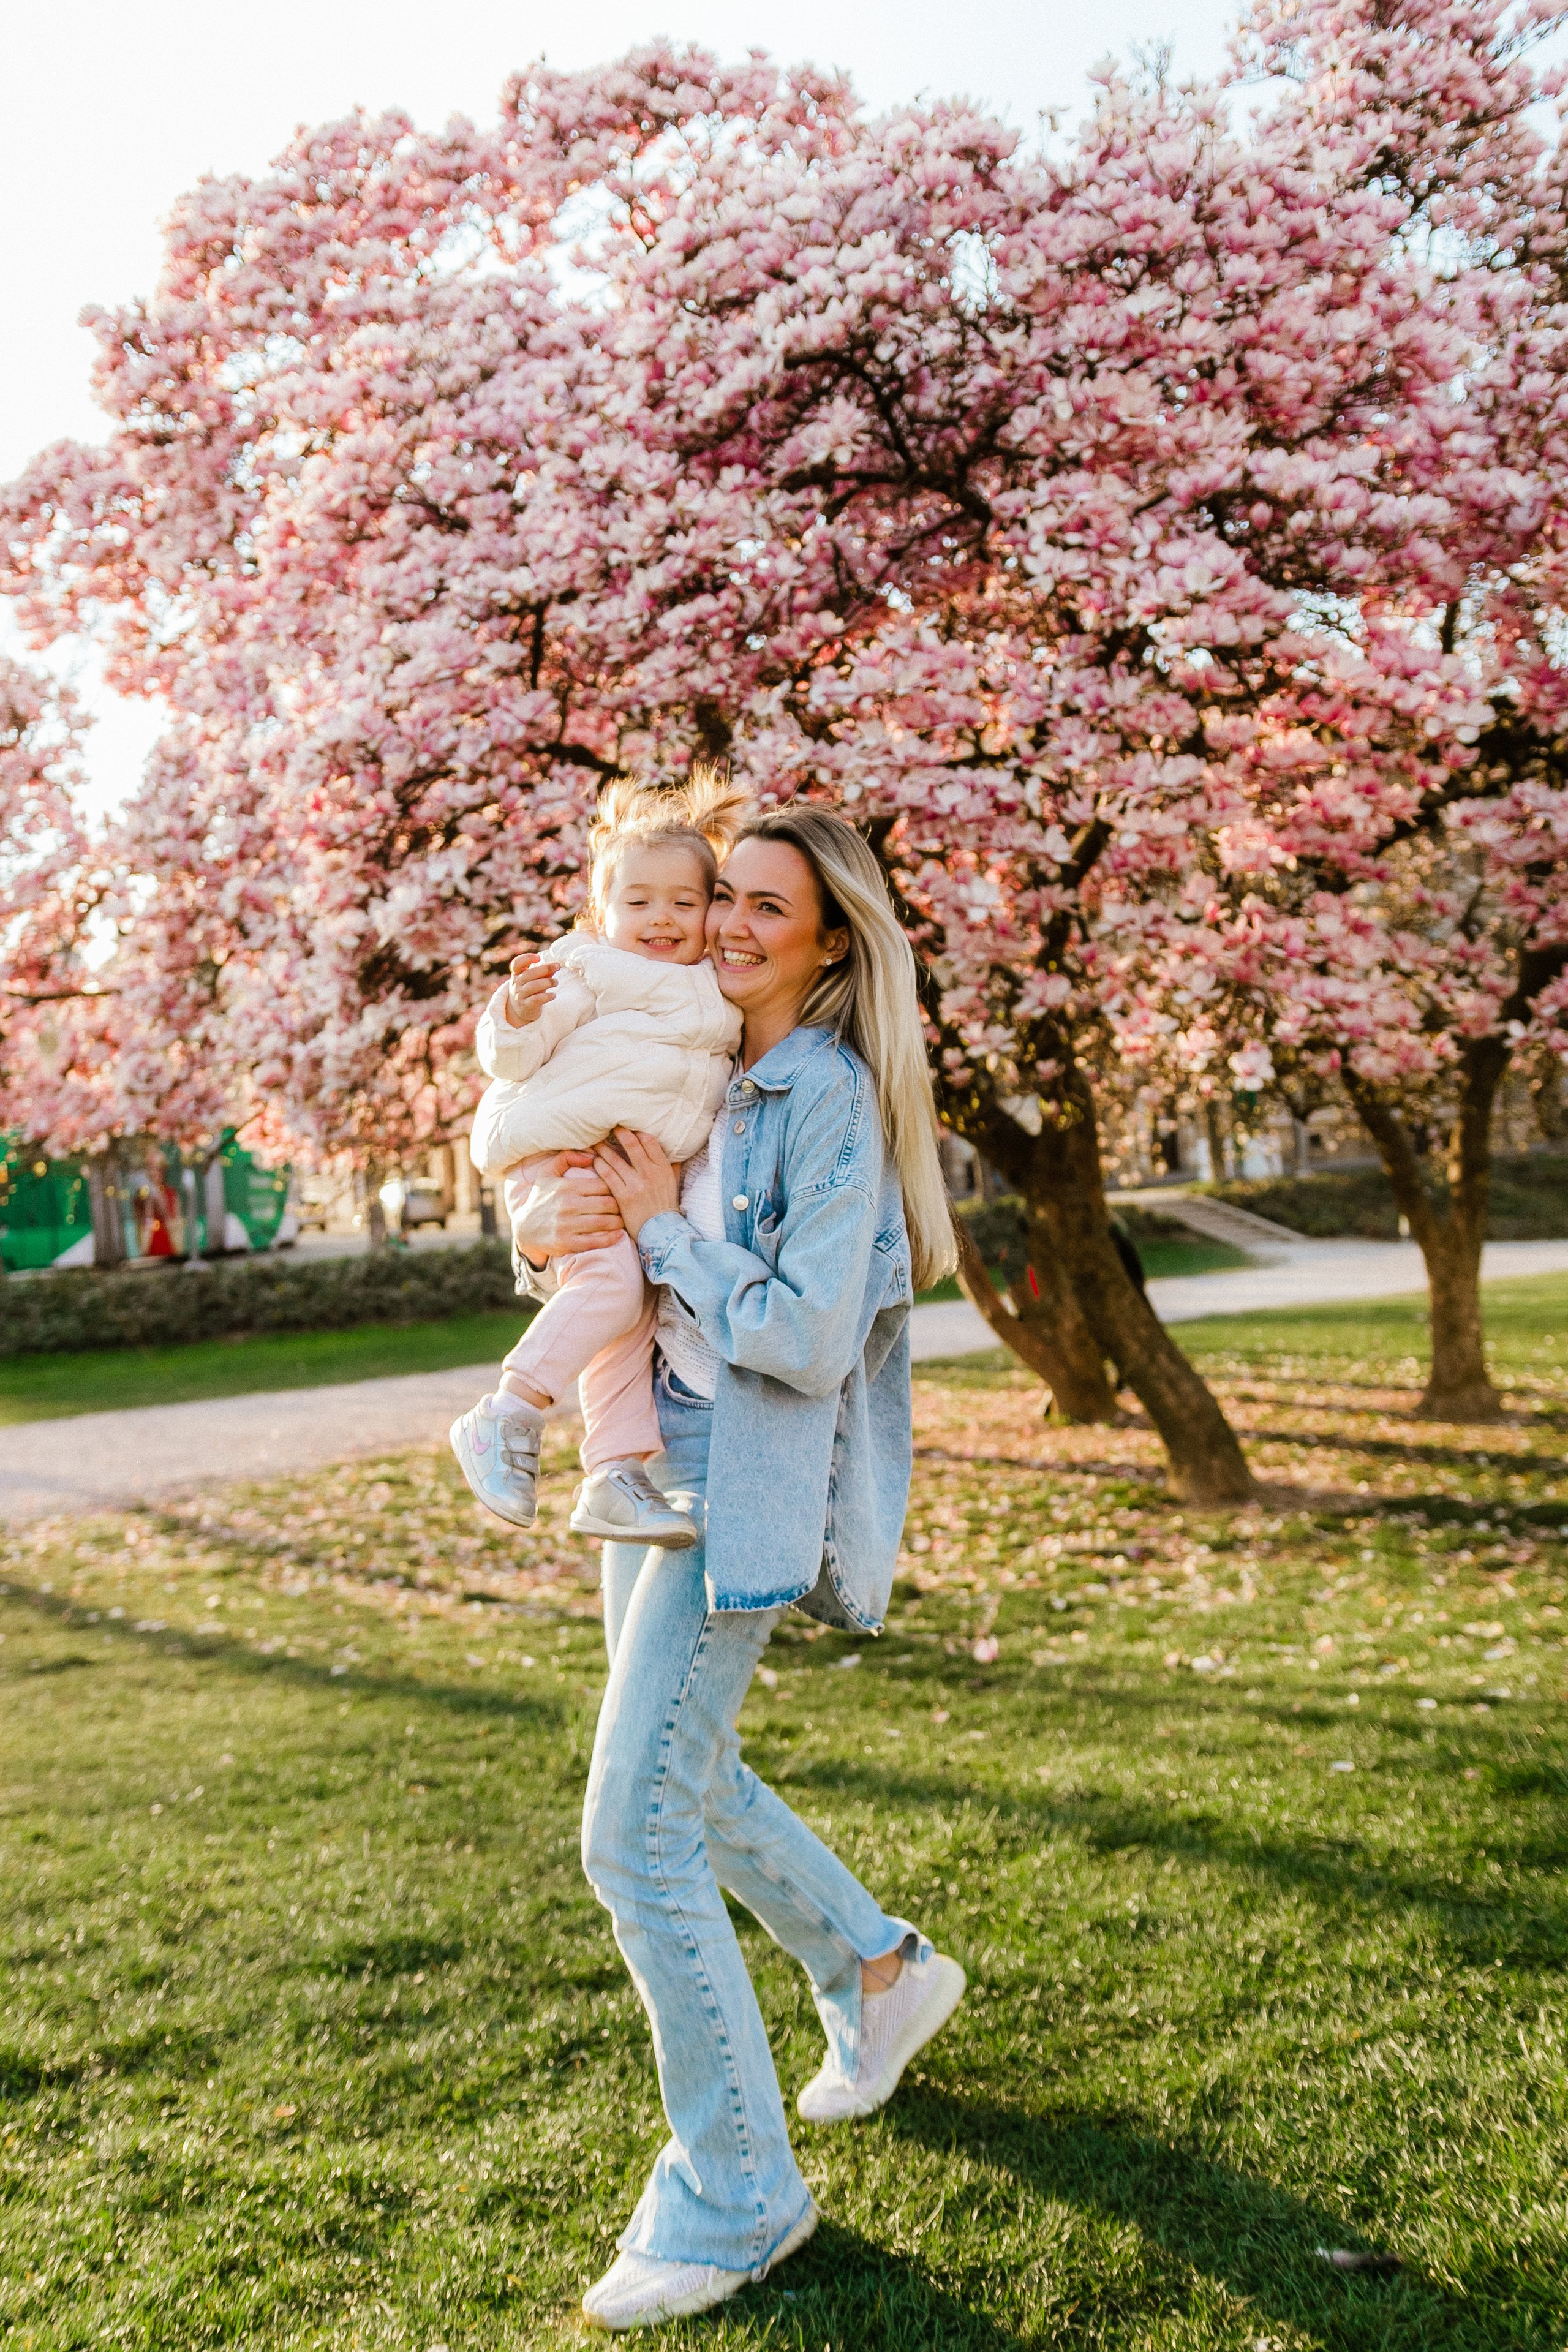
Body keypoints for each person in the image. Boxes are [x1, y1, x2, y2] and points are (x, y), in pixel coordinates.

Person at [508, 801, 966, 2332]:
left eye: (764, 906)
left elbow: (806, 1335)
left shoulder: (823, 1093)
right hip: (641, 1458)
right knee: (683, 1784)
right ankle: (877, 1970)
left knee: (629, 1833)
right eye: (721, 898)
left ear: (828, 936)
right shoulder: (707, 1069)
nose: (727, 925)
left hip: (731, 1475)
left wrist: (667, 1235)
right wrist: (574, 1221)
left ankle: (736, 2195)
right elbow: (603, 1231)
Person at [448, 769, 744, 1549]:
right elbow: (512, 1058)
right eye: (638, 902)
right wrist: (511, 1014)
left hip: (628, 1171)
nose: (662, 918)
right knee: (614, 1288)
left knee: (634, 1314)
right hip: (569, 1158)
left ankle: (614, 1472)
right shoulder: (588, 973)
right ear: (600, 913)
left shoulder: (717, 993)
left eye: (685, 901)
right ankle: (507, 1410)